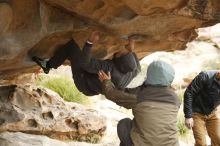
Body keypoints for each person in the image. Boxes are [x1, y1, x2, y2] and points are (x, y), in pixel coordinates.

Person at [98, 60, 180, 146]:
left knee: (124, 124)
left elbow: (111, 94)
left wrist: (106, 81)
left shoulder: (140, 97)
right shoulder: (175, 99)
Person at [32, 31, 140, 96]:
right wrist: (131, 49)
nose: (120, 50)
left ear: (118, 61)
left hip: (83, 82)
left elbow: (85, 64)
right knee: (79, 56)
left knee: (72, 47)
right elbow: (136, 64)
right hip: (94, 87)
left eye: (120, 53)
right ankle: (66, 57)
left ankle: (48, 66)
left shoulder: (109, 68)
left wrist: (89, 42)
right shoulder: (133, 70)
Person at [184, 71, 220, 146]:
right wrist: (188, 116)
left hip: (212, 112)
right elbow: (189, 93)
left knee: (218, 139)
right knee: (201, 143)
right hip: (197, 113)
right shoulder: (205, 76)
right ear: (218, 74)